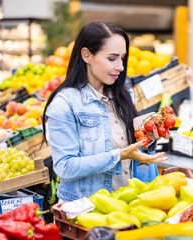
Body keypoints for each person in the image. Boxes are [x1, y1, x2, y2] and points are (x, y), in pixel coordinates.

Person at [42, 21, 168, 202]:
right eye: (112, 59)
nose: (121, 66)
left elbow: (131, 155)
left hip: (124, 205)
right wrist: (119, 155)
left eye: (122, 58)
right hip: (84, 209)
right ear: (87, 55)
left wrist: (146, 140)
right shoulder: (65, 104)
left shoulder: (123, 96)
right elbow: (65, 166)